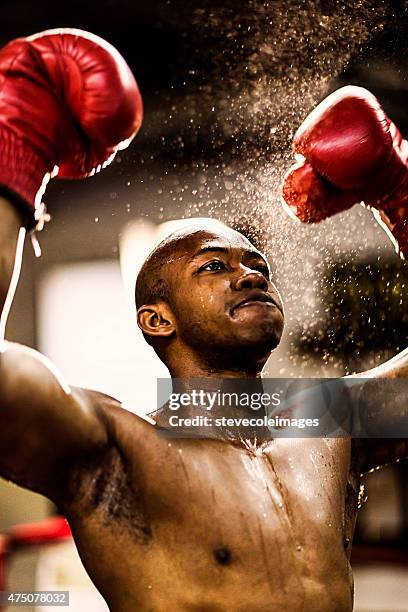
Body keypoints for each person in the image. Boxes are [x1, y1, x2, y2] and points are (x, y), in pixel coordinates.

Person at [0, 28, 407, 612]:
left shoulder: (327, 426)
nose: (250, 276)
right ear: (157, 320)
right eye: (213, 267)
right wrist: (13, 154)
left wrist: (399, 194)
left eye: (257, 264)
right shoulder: (122, 451)